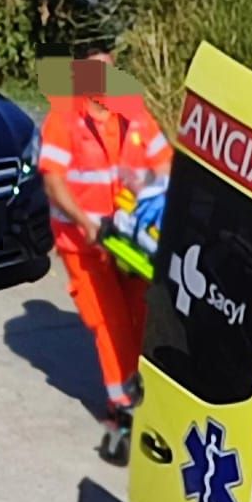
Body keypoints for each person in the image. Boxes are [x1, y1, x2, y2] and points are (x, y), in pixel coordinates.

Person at [38, 52, 171, 465]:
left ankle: (137, 391)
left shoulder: (131, 112)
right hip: (85, 242)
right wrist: (87, 224)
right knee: (109, 321)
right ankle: (123, 410)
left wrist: (158, 200)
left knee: (142, 314)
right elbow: (55, 181)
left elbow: (164, 163)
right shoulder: (64, 119)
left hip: (128, 240)